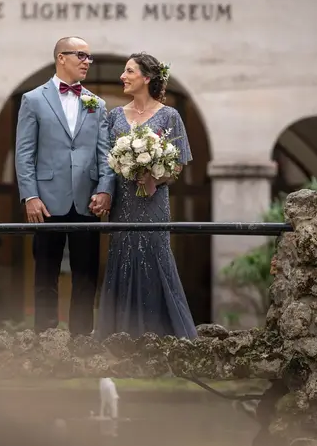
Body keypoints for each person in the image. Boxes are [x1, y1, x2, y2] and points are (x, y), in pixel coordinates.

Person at [15, 36, 114, 336]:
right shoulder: (33, 100)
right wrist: (30, 195)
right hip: (45, 202)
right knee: (45, 274)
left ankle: (81, 342)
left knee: (86, 276)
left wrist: (105, 189)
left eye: (89, 57)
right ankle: (46, 341)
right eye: (81, 56)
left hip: (87, 202)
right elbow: (24, 153)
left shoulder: (97, 104)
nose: (87, 62)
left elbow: (106, 155)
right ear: (61, 58)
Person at [94, 52, 198, 340]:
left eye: (129, 71)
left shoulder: (170, 115)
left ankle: (163, 336)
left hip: (154, 203)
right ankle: (118, 336)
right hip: (123, 204)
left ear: (146, 78)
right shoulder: (114, 116)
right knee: (122, 258)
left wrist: (155, 177)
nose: (123, 77)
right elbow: (105, 161)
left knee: (155, 257)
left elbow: (176, 166)